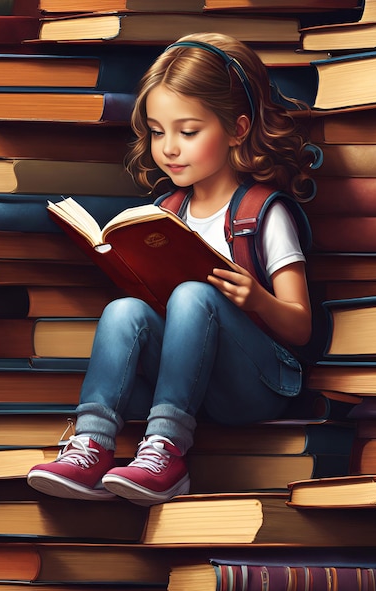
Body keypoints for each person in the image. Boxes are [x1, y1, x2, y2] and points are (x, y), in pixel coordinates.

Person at [27, 32, 315, 506]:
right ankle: (92, 445)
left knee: (194, 295)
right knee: (124, 310)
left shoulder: (262, 213)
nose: (169, 149)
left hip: (257, 386)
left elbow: (300, 327)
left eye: (188, 131)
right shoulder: (167, 211)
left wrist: (254, 298)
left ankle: (166, 451)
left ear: (238, 129)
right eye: (158, 133)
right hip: (189, 379)